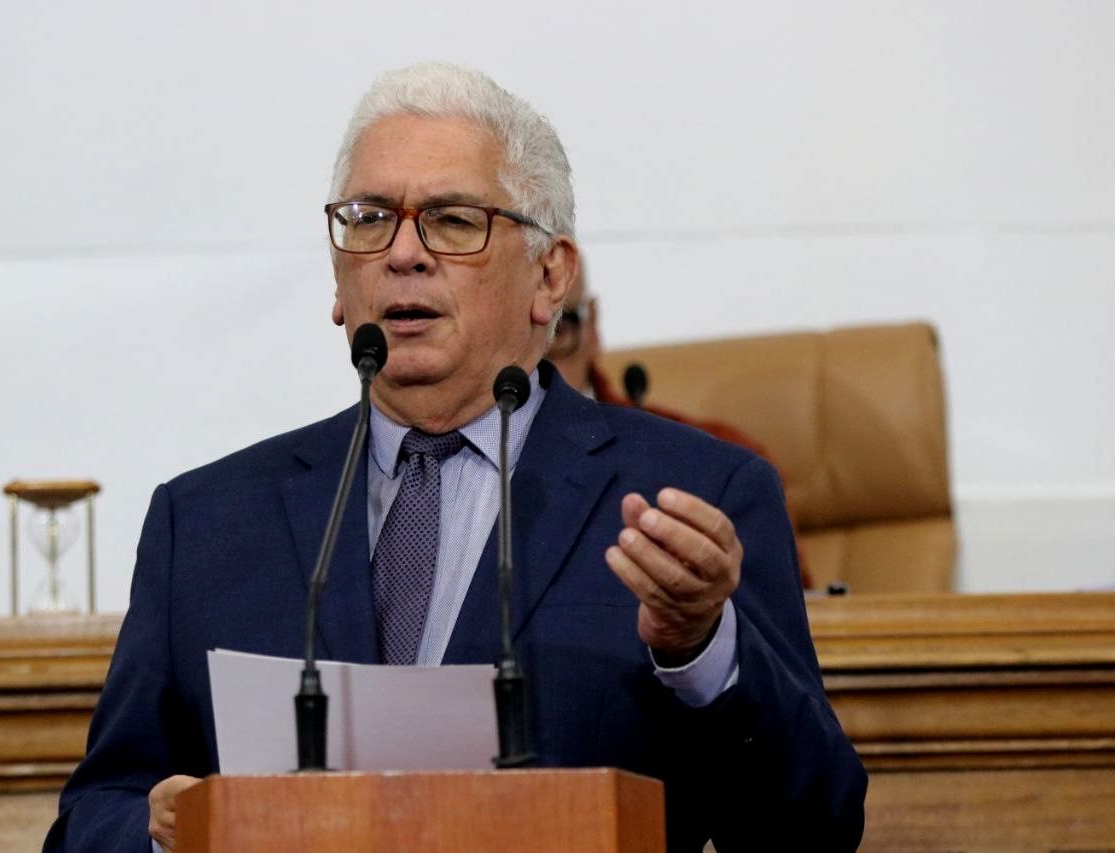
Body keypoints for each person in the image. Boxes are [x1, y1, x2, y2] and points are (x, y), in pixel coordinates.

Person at [45, 63, 865, 852]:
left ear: (550, 276)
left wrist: (699, 646)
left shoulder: (695, 495)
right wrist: (167, 834)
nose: (403, 253)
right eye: (370, 218)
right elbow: (92, 815)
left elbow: (811, 831)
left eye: (453, 220)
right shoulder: (207, 522)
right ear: (338, 280)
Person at [547, 267, 815, 588]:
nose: (533, 364)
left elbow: (786, 611)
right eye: (513, 335)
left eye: (556, 329)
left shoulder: (719, 466)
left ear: (592, 326)